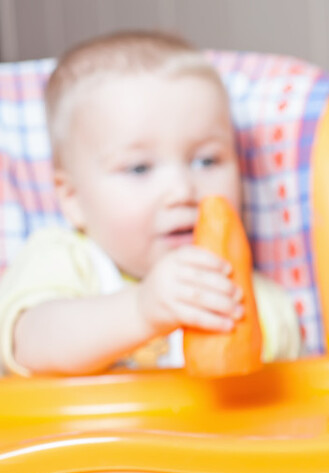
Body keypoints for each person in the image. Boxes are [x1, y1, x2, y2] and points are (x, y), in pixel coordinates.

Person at [0, 30, 301, 377]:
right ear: (73, 199)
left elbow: (294, 403)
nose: (182, 191)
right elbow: (32, 345)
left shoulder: (257, 299)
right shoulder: (66, 260)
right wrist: (141, 311)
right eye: (139, 168)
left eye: (206, 161)